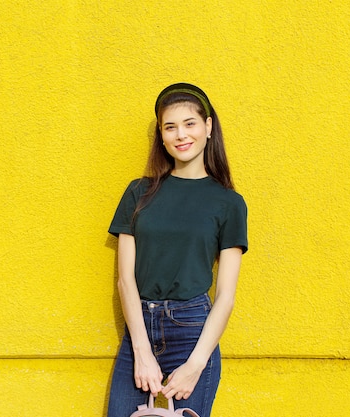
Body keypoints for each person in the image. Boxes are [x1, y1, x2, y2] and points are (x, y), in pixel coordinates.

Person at [106, 83, 248, 417]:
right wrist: (141, 350)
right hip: (139, 329)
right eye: (170, 127)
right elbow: (126, 280)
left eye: (190, 124)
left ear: (208, 127)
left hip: (192, 333)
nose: (181, 135)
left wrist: (196, 365)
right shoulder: (139, 192)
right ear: (161, 134)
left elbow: (226, 295)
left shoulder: (228, 203)